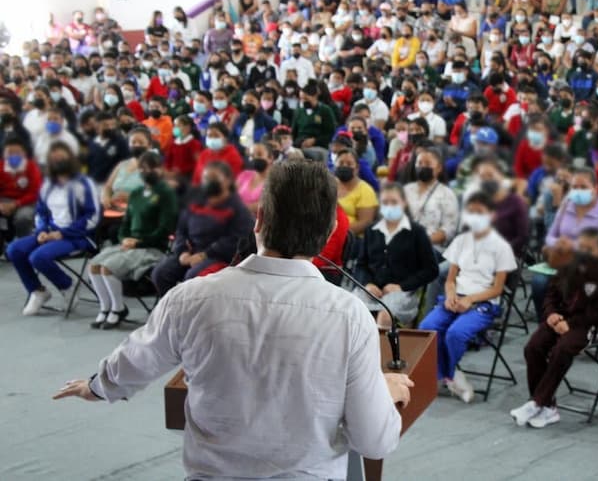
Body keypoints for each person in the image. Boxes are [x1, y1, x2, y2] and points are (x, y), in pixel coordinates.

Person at [54, 160, 411, 480]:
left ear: (259, 220)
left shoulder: (191, 297)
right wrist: (385, 390)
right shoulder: (350, 317)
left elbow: (135, 361)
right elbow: (374, 442)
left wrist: (97, 386)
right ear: (332, 230)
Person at [419, 191, 517, 403]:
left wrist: (470, 300)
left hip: (483, 302)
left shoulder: (502, 247)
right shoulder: (462, 240)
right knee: (427, 327)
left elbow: (498, 288)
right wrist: (451, 295)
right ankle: (448, 375)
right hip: (457, 297)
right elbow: (450, 279)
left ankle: (449, 374)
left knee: (455, 333)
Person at [510, 227, 598, 428]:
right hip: (559, 319)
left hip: (583, 325)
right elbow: (551, 295)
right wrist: (551, 315)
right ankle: (547, 407)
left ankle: (537, 402)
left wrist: (570, 323)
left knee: (562, 349)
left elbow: (597, 313)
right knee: (533, 347)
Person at [7, 142, 99, 316]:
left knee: (38, 257)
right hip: (49, 232)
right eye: (54, 157)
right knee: (14, 250)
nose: (58, 160)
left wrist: (62, 233)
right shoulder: (47, 184)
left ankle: (67, 286)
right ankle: (37, 290)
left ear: (70, 158)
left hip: (76, 236)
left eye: (61, 156)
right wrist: (41, 230)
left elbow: (92, 216)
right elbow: (40, 211)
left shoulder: (84, 183)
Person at [88, 152, 178, 330]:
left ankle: (118, 309)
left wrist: (139, 242)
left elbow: (165, 229)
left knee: (108, 268)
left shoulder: (167, 194)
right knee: (94, 265)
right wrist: (124, 238)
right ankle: (106, 308)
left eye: (152, 168)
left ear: (160, 170)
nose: (147, 171)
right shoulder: (136, 193)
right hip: (130, 243)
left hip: (152, 247)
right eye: (143, 169)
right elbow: (126, 222)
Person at [151, 161, 253, 295]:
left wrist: (205, 255)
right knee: (160, 273)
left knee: (193, 279)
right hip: (191, 252)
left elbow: (235, 240)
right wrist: (182, 251)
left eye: (214, 179)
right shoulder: (196, 200)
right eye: (206, 179)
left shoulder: (238, 208)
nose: (209, 183)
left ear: (228, 180)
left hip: (219, 256)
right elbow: (181, 229)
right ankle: (174, 310)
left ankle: (191, 312)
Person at [530, 168, 598, 319]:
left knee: (569, 286)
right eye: (574, 187)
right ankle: (547, 324)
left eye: (583, 187)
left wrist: (573, 246)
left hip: (589, 266)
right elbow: (550, 236)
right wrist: (558, 243)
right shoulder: (567, 205)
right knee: (539, 282)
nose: (578, 191)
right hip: (561, 259)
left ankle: (573, 327)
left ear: (595, 188)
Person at [355, 183, 439, 328]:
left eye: (394, 202)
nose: (389, 206)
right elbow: (361, 265)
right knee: (353, 311)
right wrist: (367, 284)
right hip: (371, 290)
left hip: (403, 292)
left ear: (404, 203)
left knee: (384, 316)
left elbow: (431, 270)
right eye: (385, 202)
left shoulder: (416, 232)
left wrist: (401, 286)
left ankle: (379, 350)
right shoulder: (371, 230)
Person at [0, 135, 42, 243]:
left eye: (17, 152)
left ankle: (23, 243)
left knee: (23, 218)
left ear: (24, 153)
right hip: (4, 201)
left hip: (26, 202)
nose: (13, 155)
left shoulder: (31, 167)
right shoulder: (1, 166)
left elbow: (35, 192)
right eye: (10, 152)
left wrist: (16, 204)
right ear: (4, 153)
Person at [334, 149, 378, 236]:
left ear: (357, 168)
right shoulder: (329, 184)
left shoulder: (365, 190)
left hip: (351, 240)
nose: (344, 166)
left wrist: (338, 233)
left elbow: (365, 223)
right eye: (341, 163)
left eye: (349, 164)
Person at [236, 139, 275, 214]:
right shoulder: (244, 174)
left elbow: (265, 206)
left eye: (259, 154)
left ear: (270, 158)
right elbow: (231, 196)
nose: (255, 158)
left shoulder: (274, 180)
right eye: (252, 155)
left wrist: (237, 208)